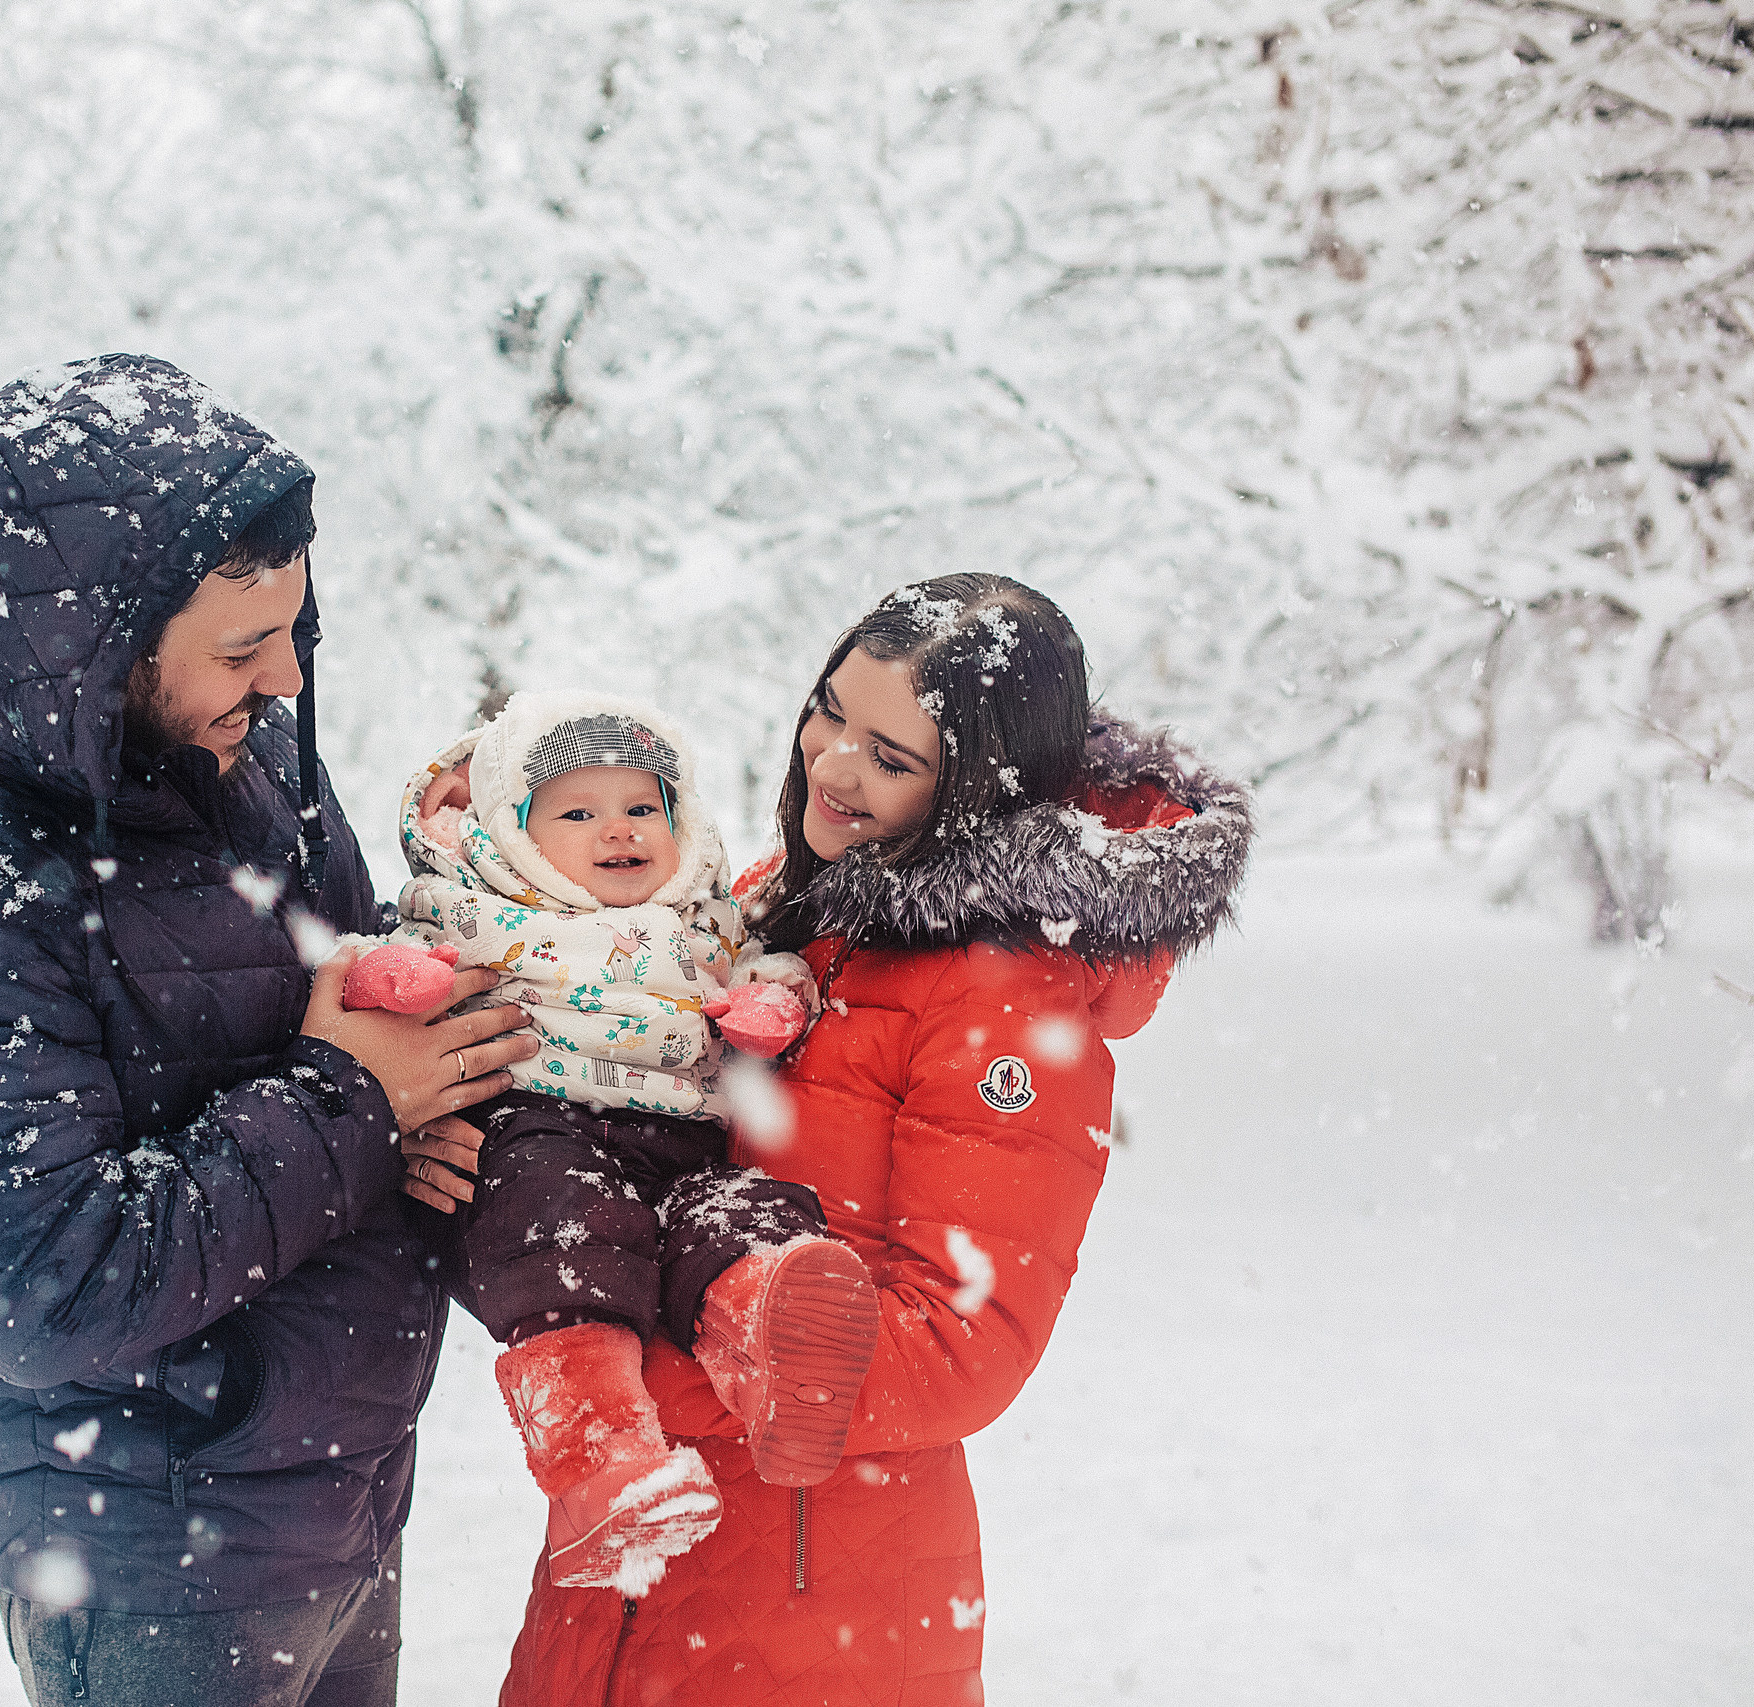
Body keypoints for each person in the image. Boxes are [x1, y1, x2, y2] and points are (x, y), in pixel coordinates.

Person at [0, 354, 534, 1707]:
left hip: (331, 1492)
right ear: (90, 650)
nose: (284, 674)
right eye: (239, 646)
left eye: (293, 627)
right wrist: (358, 1099)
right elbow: (46, 1286)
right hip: (154, 1560)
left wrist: (472, 927)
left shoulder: (250, 755)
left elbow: (309, 997)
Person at [495, 573, 1255, 1706]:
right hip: (635, 1561)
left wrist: (621, 1367)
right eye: (830, 712)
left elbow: (961, 1345)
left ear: (977, 788)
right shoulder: (786, 903)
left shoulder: (1004, 999)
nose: (833, 764)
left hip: (815, 1600)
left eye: (891, 757)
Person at [374, 692, 876, 1595]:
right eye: (579, 811)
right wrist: (395, 982)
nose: (620, 830)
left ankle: (771, 1334)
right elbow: (406, 961)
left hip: (679, 1143)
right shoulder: (486, 909)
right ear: (516, 839)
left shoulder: (704, 914)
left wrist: (773, 997)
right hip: (536, 1126)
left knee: (742, 1211)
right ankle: (596, 1459)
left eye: (643, 807)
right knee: (565, 1224)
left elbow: (764, 959)